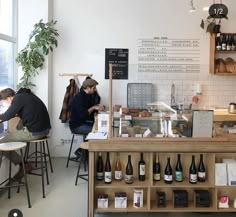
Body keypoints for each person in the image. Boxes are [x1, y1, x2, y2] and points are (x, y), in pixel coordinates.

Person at [0, 88, 51, 179]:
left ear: (8, 98)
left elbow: (6, 116)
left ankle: (24, 165)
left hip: (36, 132)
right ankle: (23, 162)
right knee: (18, 127)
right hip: (45, 129)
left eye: (4, 102)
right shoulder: (26, 96)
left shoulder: (18, 99)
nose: (6, 104)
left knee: (2, 142)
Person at [69, 78, 105, 157]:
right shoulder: (79, 98)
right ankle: (82, 151)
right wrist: (94, 108)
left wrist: (98, 106)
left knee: (98, 129)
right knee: (97, 133)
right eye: (93, 88)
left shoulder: (87, 96)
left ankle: (85, 154)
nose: (95, 90)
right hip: (77, 126)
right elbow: (83, 114)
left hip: (83, 122)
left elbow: (90, 107)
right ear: (88, 88)